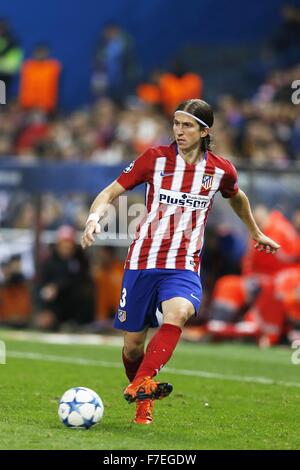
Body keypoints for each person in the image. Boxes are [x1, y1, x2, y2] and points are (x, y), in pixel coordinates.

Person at [81, 98, 280, 425]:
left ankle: (143, 391)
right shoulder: (154, 159)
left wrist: (255, 232)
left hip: (183, 265)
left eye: (187, 125)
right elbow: (109, 192)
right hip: (142, 262)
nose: (179, 130)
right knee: (133, 346)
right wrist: (93, 220)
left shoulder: (220, 170)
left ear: (204, 131)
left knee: (180, 311)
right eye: (176, 123)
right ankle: (141, 384)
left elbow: (237, 196)